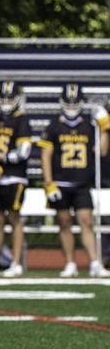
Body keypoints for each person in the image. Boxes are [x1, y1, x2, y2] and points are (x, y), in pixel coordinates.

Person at [38, 84, 109, 277]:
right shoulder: (54, 125)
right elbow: (45, 155)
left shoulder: (88, 125)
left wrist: (104, 129)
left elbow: (101, 151)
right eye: (68, 102)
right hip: (60, 182)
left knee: (86, 221)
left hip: (81, 182)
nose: (71, 106)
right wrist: (48, 182)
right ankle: (70, 263)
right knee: (64, 222)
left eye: (74, 102)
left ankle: (94, 262)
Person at [0, 81, 32, 277]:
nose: (6, 102)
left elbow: (24, 152)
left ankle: (16, 262)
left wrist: (2, 158)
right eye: (4, 98)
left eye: (9, 98)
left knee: (14, 218)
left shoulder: (22, 121)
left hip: (15, 176)